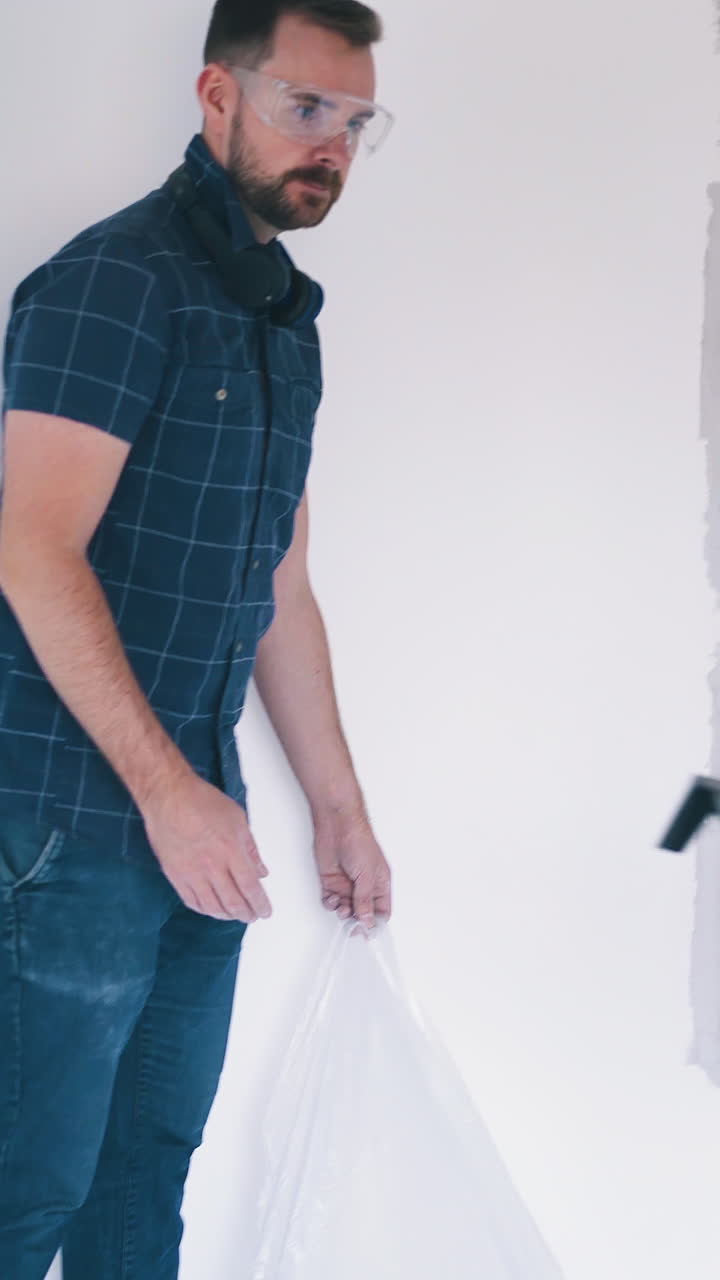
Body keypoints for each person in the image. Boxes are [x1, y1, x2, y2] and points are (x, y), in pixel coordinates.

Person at [0, 1, 394, 1275]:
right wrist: (168, 795)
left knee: (138, 1199)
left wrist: (337, 809)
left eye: (354, 122)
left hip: (195, 840)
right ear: (216, 94)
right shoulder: (114, 283)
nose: (329, 145)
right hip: (66, 834)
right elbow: (28, 546)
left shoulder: (287, 317)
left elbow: (279, 578)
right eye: (304, 107)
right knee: (24, 1197)